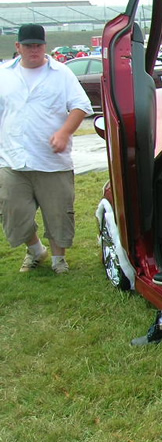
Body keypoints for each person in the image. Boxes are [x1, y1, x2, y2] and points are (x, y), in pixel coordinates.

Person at [0, 23, 93, 274]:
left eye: (38, 45)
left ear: (45, 46)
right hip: (11, 160)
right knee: (13, 212)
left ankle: (58, 260)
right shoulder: (4, 74)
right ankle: (35, 251)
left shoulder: (61, 73)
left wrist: (64, 132)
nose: (34, 50)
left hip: (52, 161)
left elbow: (81, 106)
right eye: (28, 45)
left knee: (59, 214)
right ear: (17, 46)